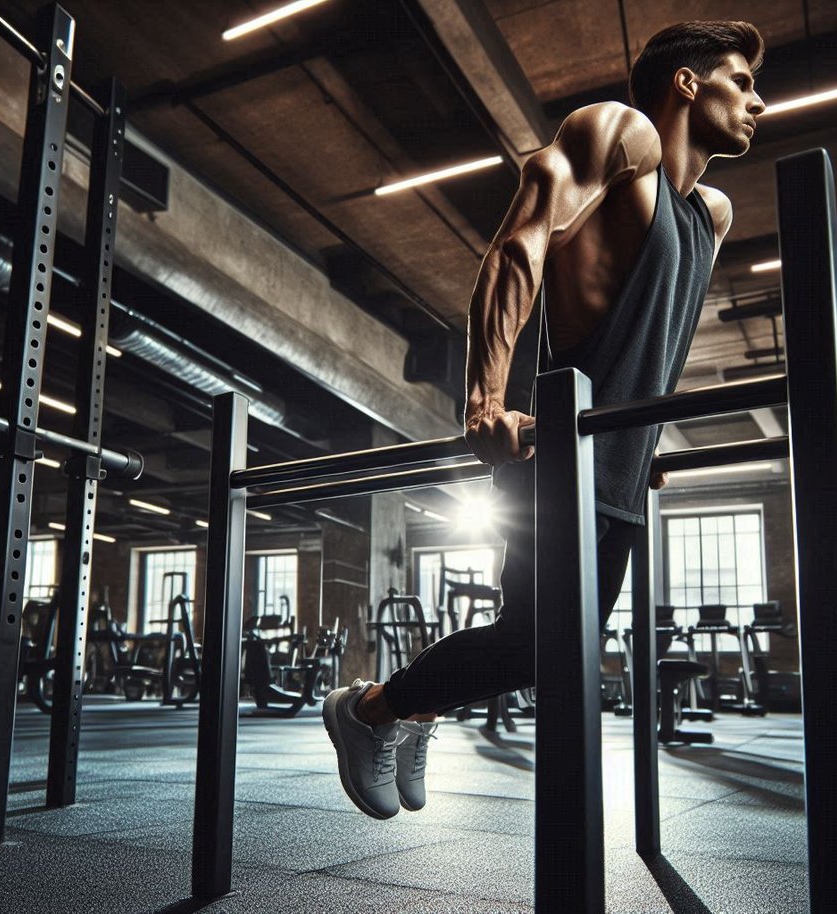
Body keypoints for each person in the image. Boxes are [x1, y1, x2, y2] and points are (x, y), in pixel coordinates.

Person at [323, 21, 765, 820]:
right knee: (542, 643)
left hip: (620, 466)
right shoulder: (619, 134)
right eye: (740, 79)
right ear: (689, 85)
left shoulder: (714, 216)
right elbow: (519, 247)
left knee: (548, 644)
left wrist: (647, 435)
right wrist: (485, 400)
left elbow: (654, 340)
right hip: (553, 454)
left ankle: (405, 708)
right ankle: (369, 712)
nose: (757, 100)